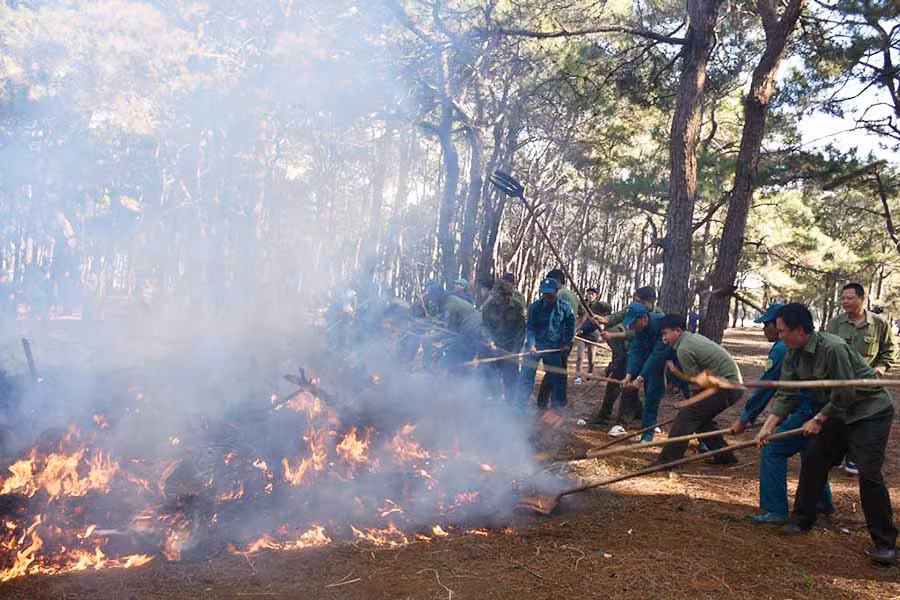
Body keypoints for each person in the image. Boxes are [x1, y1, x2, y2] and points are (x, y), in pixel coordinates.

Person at [756, 303, 897, 566]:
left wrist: (818, 418)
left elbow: (844, 393)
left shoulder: (832, 348)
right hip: (838, 414)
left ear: (800, 330)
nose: (780, 334)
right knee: (813, 458)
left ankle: (885, 542)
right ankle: (802, 519)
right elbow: (786, 393)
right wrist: (769, 426)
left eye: (783, 330)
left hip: (869, 412)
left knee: (868, 472)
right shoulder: (792, 353)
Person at [730, 303, 833, 523]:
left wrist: (746, 419)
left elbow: (767, 387)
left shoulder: (782, 349)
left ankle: (776, 510)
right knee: (810, 452)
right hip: (808, 407)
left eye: (770, 326)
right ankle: (822, 502)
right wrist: (767, 425)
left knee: (776, 450)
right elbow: (785, 391)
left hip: (819, 409)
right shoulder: (788, 348)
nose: (768, 331)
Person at [826, 282, 897, 475]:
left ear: (862, 299)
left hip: (868, 385)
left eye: (849, 298)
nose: (845, 302)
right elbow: (827, 349)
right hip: (842, 381)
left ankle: (855, 457)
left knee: (863, 418)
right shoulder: (835, 323)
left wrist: (881, 369)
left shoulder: (879, 324)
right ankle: (839, 452)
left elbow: (889, 350)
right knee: (840, 415)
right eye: (842, 298)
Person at [654, 314, 741, 465]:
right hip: (729, 385)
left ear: (677, 331)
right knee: (701, 420)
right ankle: (725, 458)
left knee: (687, 417)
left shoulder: (684, 349)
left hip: (725, 388)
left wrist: (690, 402)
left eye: (665, 333)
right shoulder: (690, 339)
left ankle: (667, 462)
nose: (664, 338)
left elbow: (696, 381)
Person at [617, 303, 675, 442]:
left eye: (634, 323)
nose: (631, 327)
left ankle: (707, 441)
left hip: (676, 362)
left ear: (643, 318)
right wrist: (629, 375)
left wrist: (640, 378)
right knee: (650, 399)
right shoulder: (640, 329)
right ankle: (647, 437)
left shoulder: (661, 325)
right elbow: (636, 351)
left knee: (694, 402)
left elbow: (657, 355)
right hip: (654, 362)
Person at [521, 278, 575, 410]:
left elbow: (570, 326)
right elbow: (531, 328)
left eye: (550, 295)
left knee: (556, 376)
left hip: (554, 347)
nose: (547, 297)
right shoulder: (535, 307)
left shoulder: (565, 307)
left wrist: (567, 343)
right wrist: (532, 344)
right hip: (536, 346)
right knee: (526, 375)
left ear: (556, 292)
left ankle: (557, 407)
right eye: (544, 294)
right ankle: (520, 405)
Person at [586, 305, 642, 430]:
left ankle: (622, 421)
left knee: (625, 387)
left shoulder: (615, 331)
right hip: (624, 357)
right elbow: (618, 355)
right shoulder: (611, 328)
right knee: (618, 386)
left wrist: (609, 369)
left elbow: (621, 354)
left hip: (634, 356)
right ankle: (636, 412)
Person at [537, 269, 580, 406]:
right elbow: (577, 317)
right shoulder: (573, 295)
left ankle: (544, 402)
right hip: (567, 341)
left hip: (557, 342)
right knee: (560, 372)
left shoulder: (560, 294)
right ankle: (559, 402)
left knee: (553, 372)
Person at [481, 280, 527, 402]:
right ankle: (496, 399)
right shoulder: (488, 306)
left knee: (511, 378)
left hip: (510, 348)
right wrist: (490, 341)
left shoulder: (517, 307)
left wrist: (515, 351)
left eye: (499, 297)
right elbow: (485, 326)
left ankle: (511, 404)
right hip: (493, 346)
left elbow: (520, 331)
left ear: (507, 296)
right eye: (495, 297)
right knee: (490, 374)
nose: (496, 300)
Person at [574, 289, 606, 384]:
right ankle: (578, 377)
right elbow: (581, 317)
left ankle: (590, 374)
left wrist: (582, 329)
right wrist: (577, 330)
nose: (590, 295)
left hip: (593, 335)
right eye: (588, 294)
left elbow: (596, 323)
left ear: (596, 295)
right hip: (582, 335)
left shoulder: (599, 306)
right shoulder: (584, 305)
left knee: (591, 359)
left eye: (592, 294)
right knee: (579, 356)